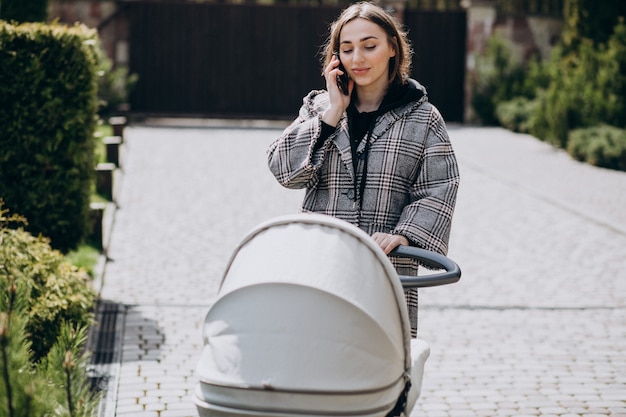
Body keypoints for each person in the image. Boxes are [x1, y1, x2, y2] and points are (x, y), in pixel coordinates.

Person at [267, 1, 459, 337]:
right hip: (320, 266)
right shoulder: (318, 108)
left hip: (386, 270)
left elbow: (439, 188)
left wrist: (405, 234)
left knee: (379, 373)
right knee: (314, 363)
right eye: (347, 48)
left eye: (370, 46)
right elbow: (283, 170)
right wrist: (332, 114)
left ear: (392, 49)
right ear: (335, 58)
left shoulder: (423, 118)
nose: (358, 58)